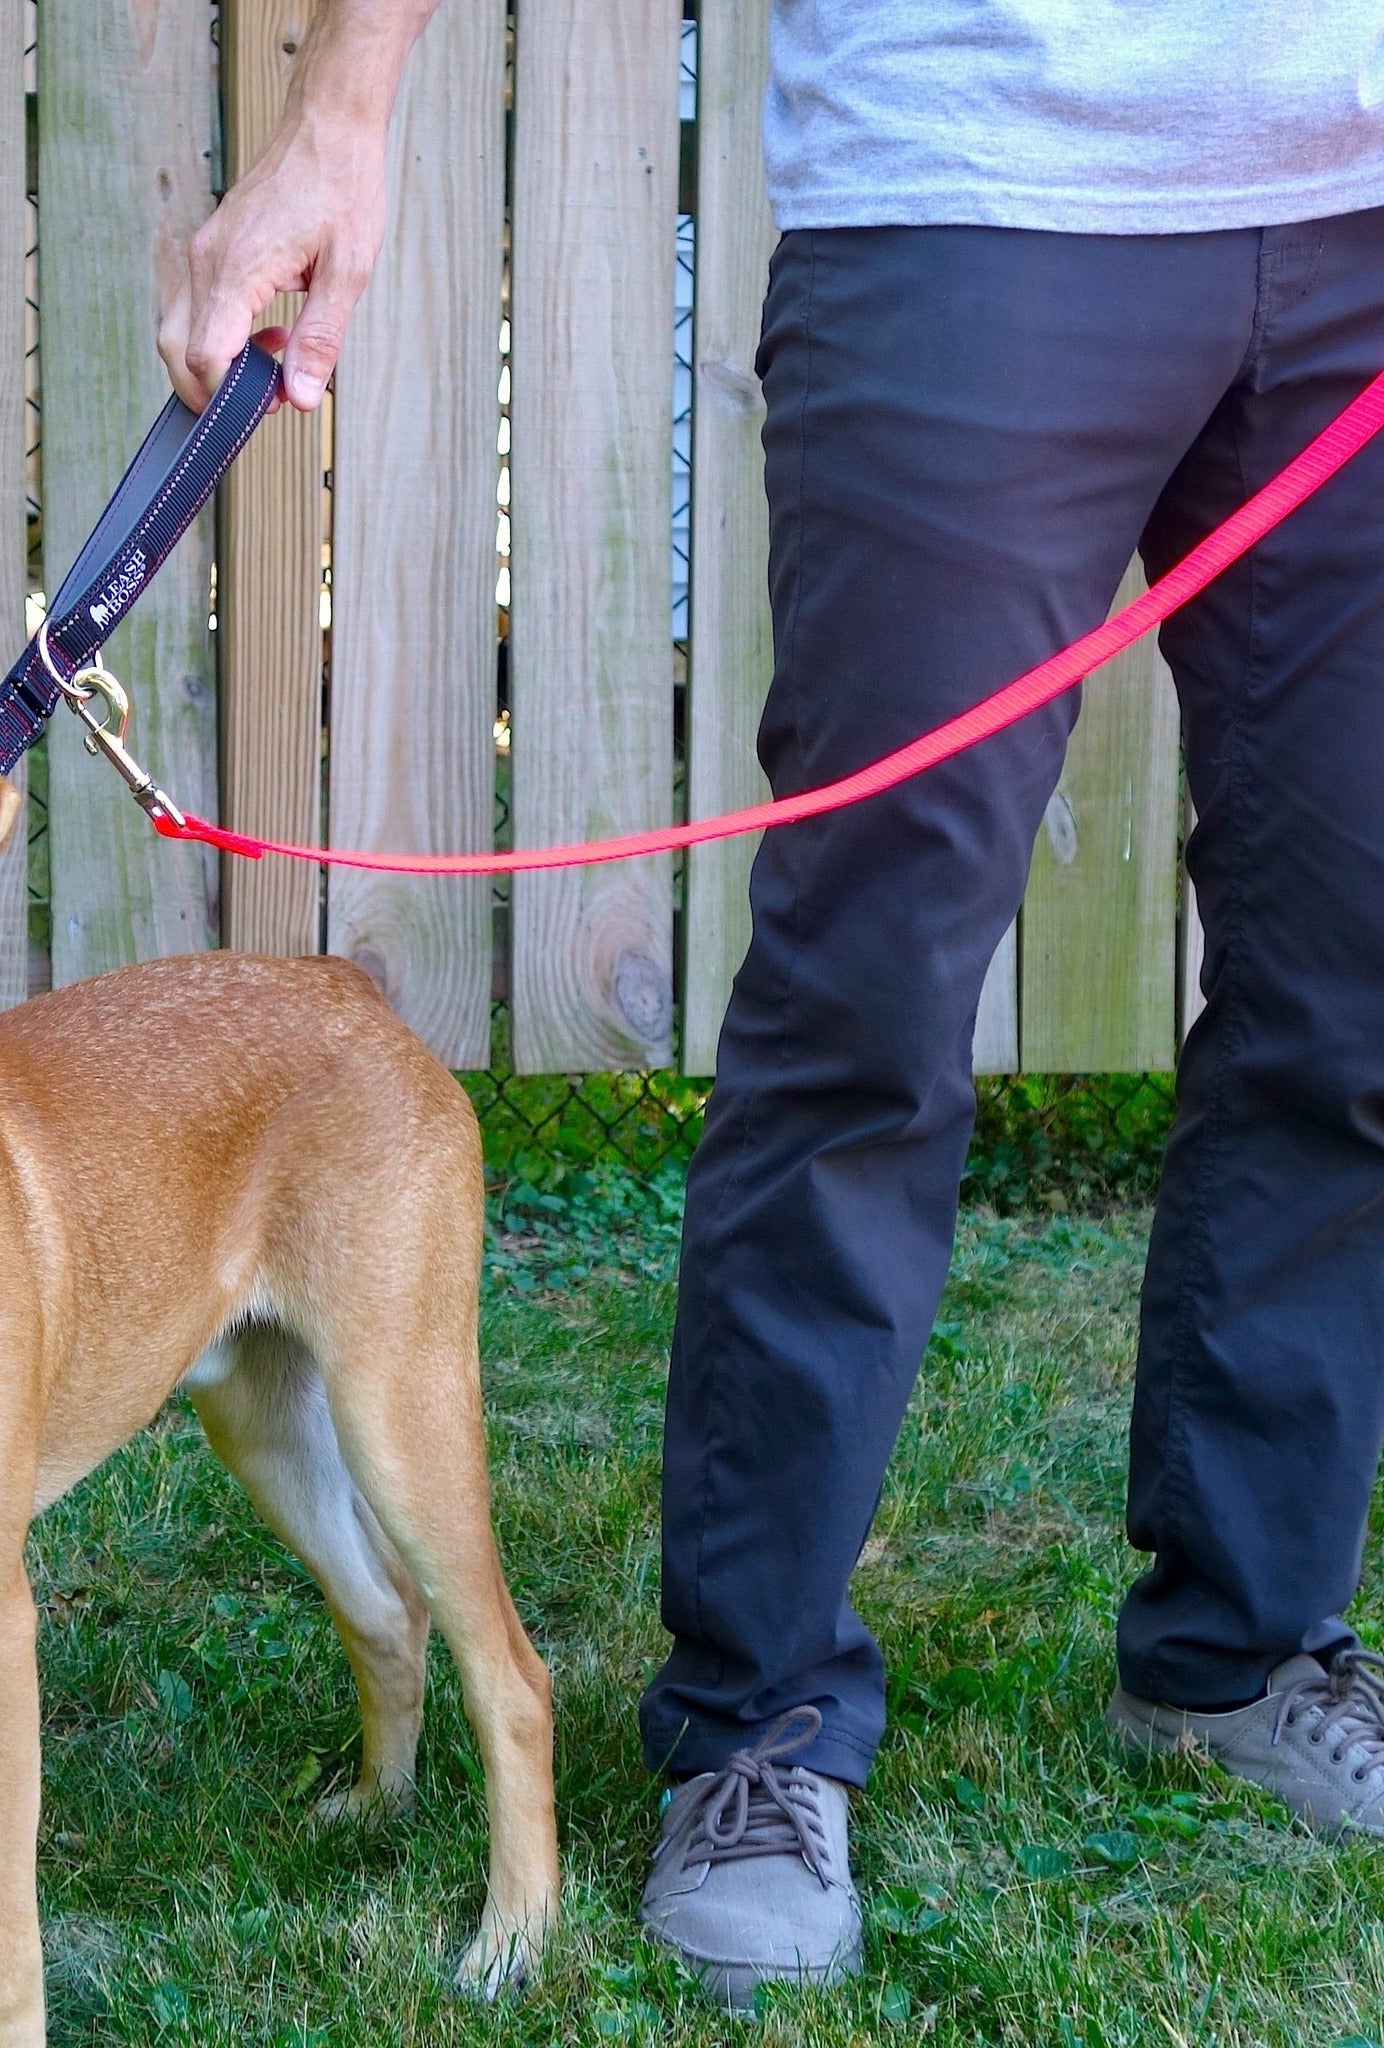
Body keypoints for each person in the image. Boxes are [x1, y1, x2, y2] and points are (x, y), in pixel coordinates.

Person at [163, 0, 1384, 2012]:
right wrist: (336, 113)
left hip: (1353, 201)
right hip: (977, 180)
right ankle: (752, 1720)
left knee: (1352, 977)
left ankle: (1241, 1643)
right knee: (869, 997)